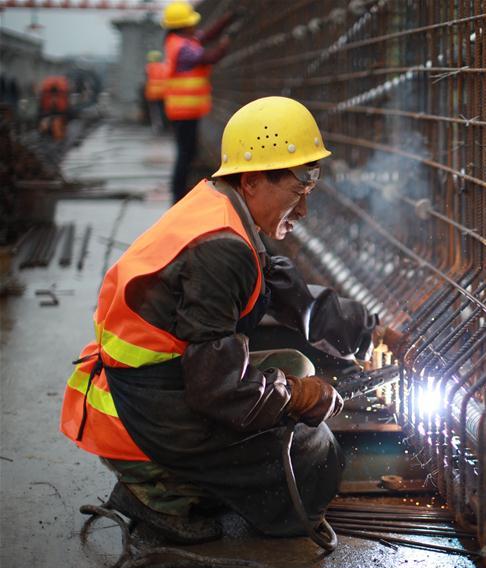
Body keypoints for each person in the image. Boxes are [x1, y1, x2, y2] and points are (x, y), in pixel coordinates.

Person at [60, 96, 402, 543]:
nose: (302, 212)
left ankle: (188, 475)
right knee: (314, 459)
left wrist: (372, 331)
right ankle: (159, 487)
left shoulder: (224, 208)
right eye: (298, 195)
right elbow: (217, 390)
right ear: (255, 180)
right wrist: (298, 398)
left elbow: (295, 298)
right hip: (144, 413)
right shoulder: (221, 247)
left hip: (159, 388)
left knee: (297, 366)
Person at [162, 1, 236, 203]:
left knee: (187, 153)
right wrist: (226, 44)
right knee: (185, 155)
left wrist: (225, 20)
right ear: (183, 25)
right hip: (184, 111)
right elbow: (209, 57)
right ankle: (178, 197)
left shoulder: (180, 41)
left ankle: (180, 194)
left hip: (185, 110)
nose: (195, 26)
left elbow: (206, 35)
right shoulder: (182, 47)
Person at [143, 50, 168, 133]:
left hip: (153, 93)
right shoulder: (164, 66)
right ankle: (165, 125)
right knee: (162, 109)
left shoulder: (148, 67)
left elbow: (147, 78)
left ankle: (157, 126)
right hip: (163, 92)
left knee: (155, 110)